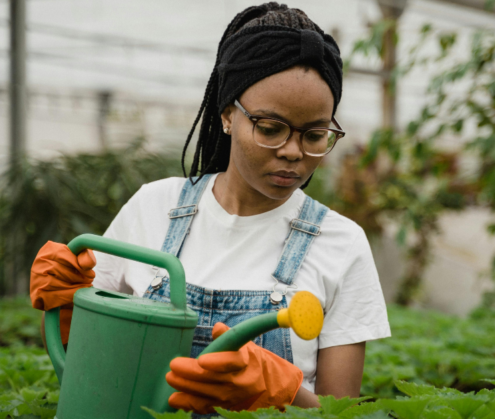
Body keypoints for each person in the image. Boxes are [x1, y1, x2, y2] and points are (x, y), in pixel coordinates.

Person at [29, 2, 390, 416]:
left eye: (315, 134)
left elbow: (339, 413)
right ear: (227, 116)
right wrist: (66, 306)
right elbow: (86, 369)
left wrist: (284, 393)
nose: (293, 152)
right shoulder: (154, 207)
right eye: (270, 129)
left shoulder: (342, 243)